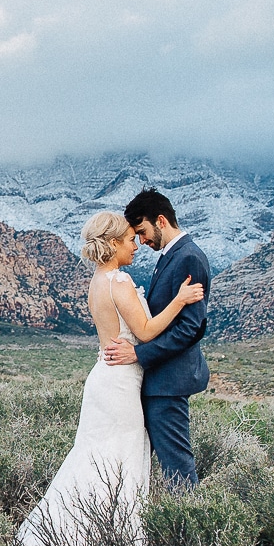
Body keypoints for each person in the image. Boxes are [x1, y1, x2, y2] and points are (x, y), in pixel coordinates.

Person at [14, 208, 205, 546]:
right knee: (121, 458)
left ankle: (80, 539)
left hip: (105, 376)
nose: (136, 246)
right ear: (114, 243)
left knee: (95, 457)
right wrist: (180, 300)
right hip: (120, 383)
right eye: (131, 240)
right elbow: (145, 332)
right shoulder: (119, 281)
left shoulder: (97, 281)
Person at [99, 189, 211, 485]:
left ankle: (189, 514)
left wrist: (139, 354)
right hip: (157, 379)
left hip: (170, 381)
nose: (141, 241)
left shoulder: (189, 258)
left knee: (176, 464)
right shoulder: (170, 257)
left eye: (142, 232)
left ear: (160, 221)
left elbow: (190, 328)